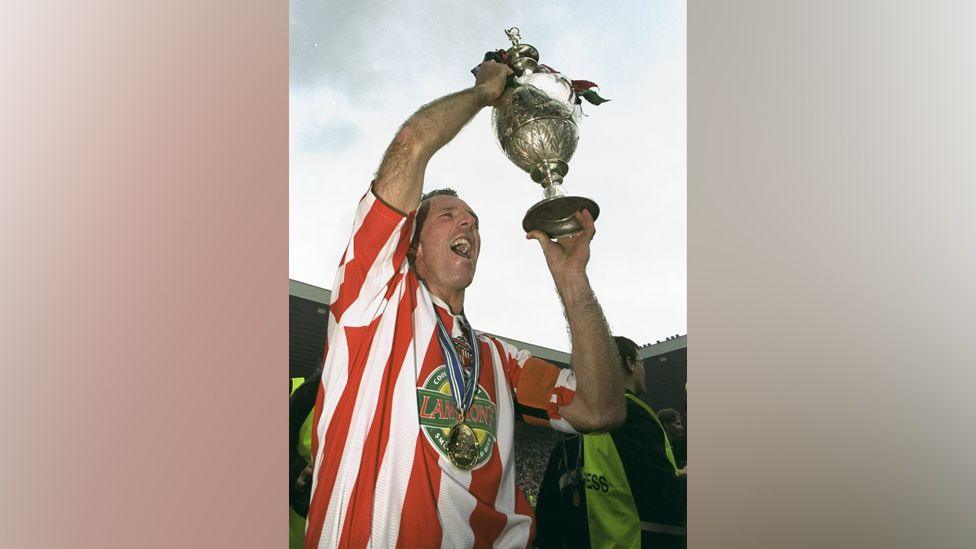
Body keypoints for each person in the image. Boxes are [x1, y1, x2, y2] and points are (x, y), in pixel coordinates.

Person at [303, 60, 627, 548]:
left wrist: (573, 281)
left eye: (473, 221)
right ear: (409, 244)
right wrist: (484, 94)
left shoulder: (501, 360)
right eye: (449, 216)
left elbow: (599, 410)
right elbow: (411, 145)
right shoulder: (374, 303)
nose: (467, 226)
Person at [535, 336, 686, 548]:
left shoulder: (569, 430)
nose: (645, 370)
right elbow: (665, 498)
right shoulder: (632, 415)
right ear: (630, 363)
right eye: (642, 362)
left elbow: (548, 517)